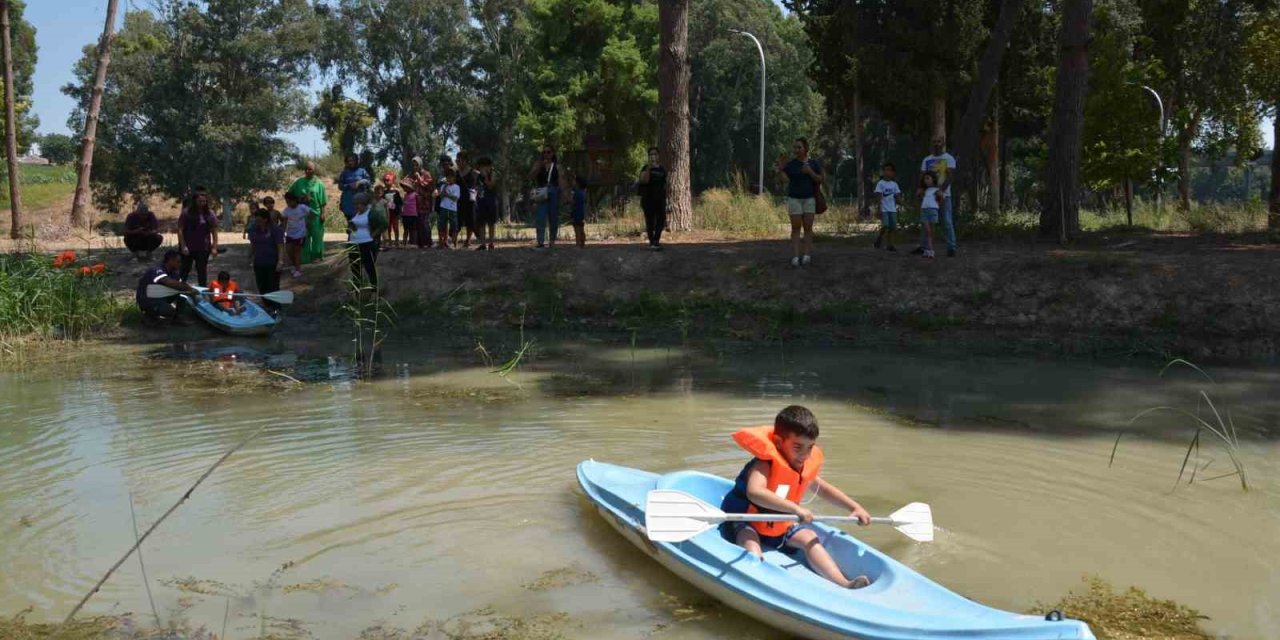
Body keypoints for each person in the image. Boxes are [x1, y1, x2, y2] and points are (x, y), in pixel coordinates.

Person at [721, 405, 873, 589]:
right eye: (798, 447)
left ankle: (844, 583)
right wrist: (795, 508)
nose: (805, 455)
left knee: (809, 537)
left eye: (810, 447)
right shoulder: (764, 464)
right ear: (778, 442)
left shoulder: (800, 467)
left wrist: (854, 507)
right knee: (750, 540)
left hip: (779, 525)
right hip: (748, 520)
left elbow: (823, 489)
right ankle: (758, 581)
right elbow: (755, 492)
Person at [777, 138, 824, 268]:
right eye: (795, 147)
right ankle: (796, 256)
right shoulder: (791, 164)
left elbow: (820, 179)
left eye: (799, 147)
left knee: (808, 227)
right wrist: (780, 170)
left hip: (809, 199)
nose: (796, 150)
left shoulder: (813, 163)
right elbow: (785, 180)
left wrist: (810, 172)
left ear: (805, 148)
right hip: (794, 199)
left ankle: (807, 254)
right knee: (796, 227)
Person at [916, 136, 958, 257]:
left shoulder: (949, 158)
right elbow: (922, 176)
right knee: (925, 221)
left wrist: (941, 190)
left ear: (943, 143)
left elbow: (950, 176)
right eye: (934, 141)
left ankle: (951, 247)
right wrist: (920, 188)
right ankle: (923, 247)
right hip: (928, 196)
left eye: (939, 141)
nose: (936, 144)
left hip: (944, 195)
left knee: (947, 221)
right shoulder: (926, 160)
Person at [136, 250, 197, 325]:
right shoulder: (157, 269)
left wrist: (192, 293)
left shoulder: (174, 273)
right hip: (147, 299)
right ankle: (149, 315)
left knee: (182, 296)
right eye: (178, 262)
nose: (180, 264)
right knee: (168, 311)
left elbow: (181, 285)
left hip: (160, 296)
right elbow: (168, 282)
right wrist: (189, 289)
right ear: (171, 260)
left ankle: (177, 318)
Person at [287, 161, 329, 263]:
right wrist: (299, 201)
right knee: (303, 236)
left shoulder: (319, 183)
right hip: (301, 214)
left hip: (315, 214)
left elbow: (323, 201)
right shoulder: (298, 182)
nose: (307, 171)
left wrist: (323, 213)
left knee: (317, 236)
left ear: (314, 170)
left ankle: (316, 256)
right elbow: (289, 195)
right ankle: (305, 258)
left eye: (310, 169)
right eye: (306, 169)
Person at [177, 188, 219, 286]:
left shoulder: (210, 214)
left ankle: (202, 290)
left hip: (203, 248)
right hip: (188, 247)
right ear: (195, 201)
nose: (202, 203)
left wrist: (214, 247)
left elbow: (214, 231)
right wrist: (183, 246)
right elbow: (180, 230)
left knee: (202, 270)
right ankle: (179, 288)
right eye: (200, 201)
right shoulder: (186, 213)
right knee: (184, 269)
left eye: (204, 201)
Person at [247, 209, 284, 312]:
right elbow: (253, 244)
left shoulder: (275, 229)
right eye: (256, 220)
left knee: (273, 286)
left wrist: (280, 261)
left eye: (259, 220)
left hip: (272, 262)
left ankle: (276, 307)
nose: (257, 222)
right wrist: (249, 256)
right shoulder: (254, 229)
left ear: (265, 219)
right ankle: (267, 305)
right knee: (262, 286)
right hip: (259, 262)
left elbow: (280, 246)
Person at [529, 145, 561, 248]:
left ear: (553, 153)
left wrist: (564, 194)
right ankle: (540, 241)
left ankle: (552, 241)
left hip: (553, 190)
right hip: (541, 190)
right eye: (544, 152)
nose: (546, 154)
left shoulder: (557, 166)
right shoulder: (538, 164)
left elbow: (561, 180)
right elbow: (531, 176)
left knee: (553, 217)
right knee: (540, 217)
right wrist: (539, 166)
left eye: (549, 152)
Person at [637, 147, 667, 250]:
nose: (653, 156)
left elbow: (665, 183)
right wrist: (649, 168)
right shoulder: (645, 168)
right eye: (651, 154)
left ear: (658, 156)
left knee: (661, 219)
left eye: (655, 154)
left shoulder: (662, 169)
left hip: (660, 199)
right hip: (648, 199)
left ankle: (656, 240)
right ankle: (652, 242)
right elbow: (644, 180)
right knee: (650, 221)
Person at [347, 193, 378, 288]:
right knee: (355, 268)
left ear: (364, 204)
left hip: (366, 244)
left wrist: (373, 236)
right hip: (353, 244)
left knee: (369, 268)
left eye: (358, 204)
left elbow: (382, 225)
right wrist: (350, 228)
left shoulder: (371, 213)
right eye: (355, 204)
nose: (356, 206)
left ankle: (374, 289)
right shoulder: (356, 214)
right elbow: (351, 228)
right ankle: (357, 289)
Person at [873, 163, 903, 251]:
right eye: (885, 170)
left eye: (889, 170)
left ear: (893, 173)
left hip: (892, 209)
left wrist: (905, 205)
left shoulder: (894, 184)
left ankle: (890, 245)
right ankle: (879, 238)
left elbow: (898, 197)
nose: (887, 172)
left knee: (892, 227)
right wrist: (879, 208)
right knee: (885, 226)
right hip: (884, 209)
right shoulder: (880, 183)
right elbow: (879, 197)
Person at [281, 192, 310, 278]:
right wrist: (283, 232)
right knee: (289, 251)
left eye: (290, 201)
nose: (288, 204)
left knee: (296, 252)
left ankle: (298, 270)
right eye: (287, 202)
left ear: (294, 200)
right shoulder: (286, 210)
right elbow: (284, 222)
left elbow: (310, 213)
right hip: (290, 233)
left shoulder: (302, 207)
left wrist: (308, 222)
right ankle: (295, 266)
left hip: (300, 234)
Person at [337, 154, 372, 222]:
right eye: (349, 161)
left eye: (352, 160)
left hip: (360, 201)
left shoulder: (362, 171)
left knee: (361, 221)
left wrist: (360, 182)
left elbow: (368, 181)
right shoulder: (344, 173)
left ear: (356, 161)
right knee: (350, 222)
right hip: (347, 202)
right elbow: (340, 186)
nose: (350, 162)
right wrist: (349, 185)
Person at [455, 151, 479, 248]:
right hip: (459, 200)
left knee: (470, 220)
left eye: (459, 160)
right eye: (457, 160)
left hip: (470, 200)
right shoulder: (456, 173)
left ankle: (468, 240)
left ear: (465, 161)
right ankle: (454, 241)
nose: (457, 162)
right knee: (457, 220)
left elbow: (479, 184)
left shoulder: (474, 172)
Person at [918, 172, 944, 259]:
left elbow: (941, 199)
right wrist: (919, 194)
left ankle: (928, 250)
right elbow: (920, 198)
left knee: (931, 231)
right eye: (925, 179)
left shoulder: (937, 190)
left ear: (933, 179)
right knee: (927, 230)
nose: (926, 180)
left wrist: (937, 205)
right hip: (924, 210)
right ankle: (930, 249)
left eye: (928, 178)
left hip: (933, 210)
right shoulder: (924, 190)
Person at [475, 157, 498, 251]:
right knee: (481, 223)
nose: (483, 168)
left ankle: (491, 243)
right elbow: (477, 188)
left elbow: (490, 186)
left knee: (491, 223)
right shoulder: (478, 176)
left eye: (485, 166)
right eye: (481, 167)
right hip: (481, 201)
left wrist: (486, 177)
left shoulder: (493, 174)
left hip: (491, 201)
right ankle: (483, 243)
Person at [433, 154, 454, 246]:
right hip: (439, 200)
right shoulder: (438, 175)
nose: (445, 166)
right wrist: (435, 190)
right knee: (440, 221)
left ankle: (446, 240)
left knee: (447, 221)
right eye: (443, 164)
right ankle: (440, 240)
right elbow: (435, 186)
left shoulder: (453, 174)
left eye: (447, 164)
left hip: (449, 200)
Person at [437, 170, 460, 248]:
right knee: (442, 225)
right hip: (443, 207)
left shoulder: (456, 187)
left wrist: (447, 195)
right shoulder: (443, 186)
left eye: (451, 177)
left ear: (454, 178)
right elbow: (441, 196)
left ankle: (454, 242)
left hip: (452, 209)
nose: (449, 179)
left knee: (454, 226)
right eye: (447, 177)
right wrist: (445, 187)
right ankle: (442, 242)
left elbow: (455, 198)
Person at [382, 172, 402, 248]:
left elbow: (399, 202)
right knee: (388, 228)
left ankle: (397, 241)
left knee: (396, 227)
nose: (386, 182)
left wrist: (399, 212)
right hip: (387, 213)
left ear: (392, 180)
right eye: (385, 180)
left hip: (395, 213)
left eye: (388, 180)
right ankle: (389, 241)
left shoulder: (396, 192)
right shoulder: (383, 192)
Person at [571, 174, 588, 248]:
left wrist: (568, 200)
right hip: (581, 213)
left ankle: (578, 244)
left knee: (577, 229)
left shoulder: (577, 193)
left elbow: (573, 202)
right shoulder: (583, 193)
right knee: (581, 228)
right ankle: (582, 243)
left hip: (576, 213)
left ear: (577, 183)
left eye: (574, 181)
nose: (573, 182)